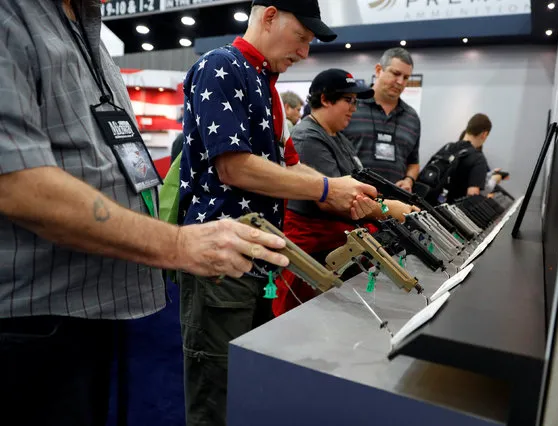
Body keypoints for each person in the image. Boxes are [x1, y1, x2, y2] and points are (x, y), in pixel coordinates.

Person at [0, 1, 289, 426]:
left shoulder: (84, 30)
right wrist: (175, 243)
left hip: (101, 312)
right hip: (35, 322)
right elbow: (17, 184)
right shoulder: (14, 16)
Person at [177, 2, 377, 424]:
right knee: (217, 390)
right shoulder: (221, 67)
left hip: (258, 258)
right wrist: (327, 186)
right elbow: (234, 166)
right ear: (269, 16)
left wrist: (340, 193)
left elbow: (286, 165)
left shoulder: (265, 81)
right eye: (302, 37)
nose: (305, 52)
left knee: (248, 382)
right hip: (219, 261)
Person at [276, 69, 417, 315]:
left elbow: (357, 188)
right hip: (315, 255)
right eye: (348, 100)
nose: (354, 107)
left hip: (341, 249)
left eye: (355, 101)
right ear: (325, 99)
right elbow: (334, 200)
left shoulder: (339, 138)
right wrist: (388, 209)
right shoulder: (308, 138)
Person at [343, 47, 421, 192]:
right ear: (379, 70)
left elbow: (413, 163)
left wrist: (408, 180)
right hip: (352, 201)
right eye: (396, 74)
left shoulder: (412, 117)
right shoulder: (352, 106)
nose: (400, 82)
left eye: (405, 77)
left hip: (391, 206)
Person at [442, 113, 493, 201]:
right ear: (484, 134)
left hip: (426, 204)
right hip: (449, 209)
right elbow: (472, 195)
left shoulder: (448, 146)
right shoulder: (478, 158)